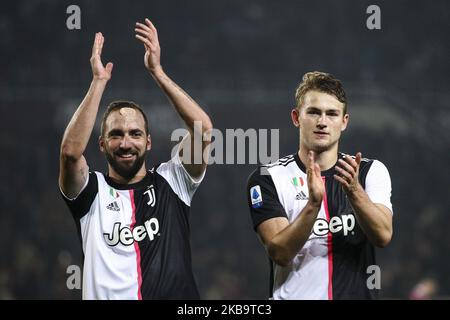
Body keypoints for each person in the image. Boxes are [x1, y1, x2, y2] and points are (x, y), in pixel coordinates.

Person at [59, 19, 212, 300]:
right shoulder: (90, 192)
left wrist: (158, 72)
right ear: (102, 145)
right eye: (116, 135)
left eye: (135, 134)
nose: (126, 143)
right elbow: (70, 154)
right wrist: (98, 83)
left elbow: (203, 130)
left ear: (148, 142)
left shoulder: (173, 180)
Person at [246, 71, 393, 300]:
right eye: (313, 112)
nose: (322, 122)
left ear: (344, 122)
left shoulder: (369, 171)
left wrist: (354, 191)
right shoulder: (268, 178)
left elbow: (383, 235)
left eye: (332, 114)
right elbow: (280, 252)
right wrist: (314, 204)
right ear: (296, 118)